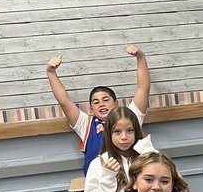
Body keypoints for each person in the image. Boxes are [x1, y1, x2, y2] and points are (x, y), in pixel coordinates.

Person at [45, 45, 151, 175]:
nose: (101, 104)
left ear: (116, 103)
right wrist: (51, 72)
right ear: (91, 109)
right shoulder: (86, 125)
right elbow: (64, 101)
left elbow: (143, 88)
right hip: (98, 186)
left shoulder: (129, 117)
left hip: (131, 182)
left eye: (106, 100)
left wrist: (140, 57)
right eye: (96, 102)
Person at [84, 106, 156, 192]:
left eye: (130, 131)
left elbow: (168, 186)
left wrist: (151, 154)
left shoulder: (145, 154)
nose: (124, 137)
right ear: (109, 134)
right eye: (117, 132)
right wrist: (108, 176)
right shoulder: (98, 164)